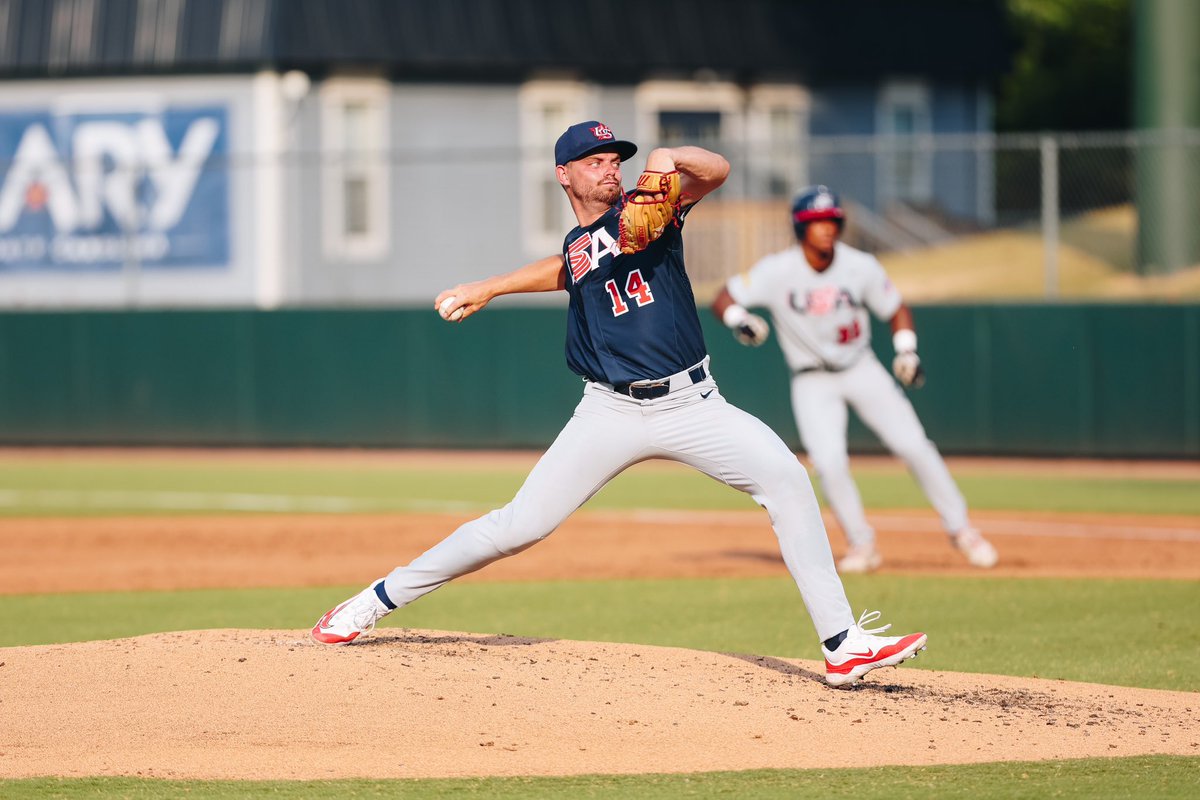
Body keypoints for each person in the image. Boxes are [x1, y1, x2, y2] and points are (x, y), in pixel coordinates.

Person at [311, 123, 927, 687]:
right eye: (595, 160)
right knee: (518, 526)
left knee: (788, 479)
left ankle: (842, 644)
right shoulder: (581, 243)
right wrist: (491, 287)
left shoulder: (652, 207)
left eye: (615, 158)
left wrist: (667, 156)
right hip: (608, 412)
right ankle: (372, 601)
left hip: (693, 403)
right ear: (564, 174)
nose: (610, 167)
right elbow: (565, 268)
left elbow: (715, 171)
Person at [711, 185, 998, 573]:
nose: (827, 228)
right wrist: (739, 320)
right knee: (828, 463)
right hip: (811, 379)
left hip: (862, 367)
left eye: (832, 221)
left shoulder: (859, 265)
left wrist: (906, 349)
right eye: (817, 222)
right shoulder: (779, 269)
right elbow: (724, 297)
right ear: (801, 227)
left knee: (914, 445)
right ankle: (862, 545)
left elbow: (896, 309)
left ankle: (962, 530)